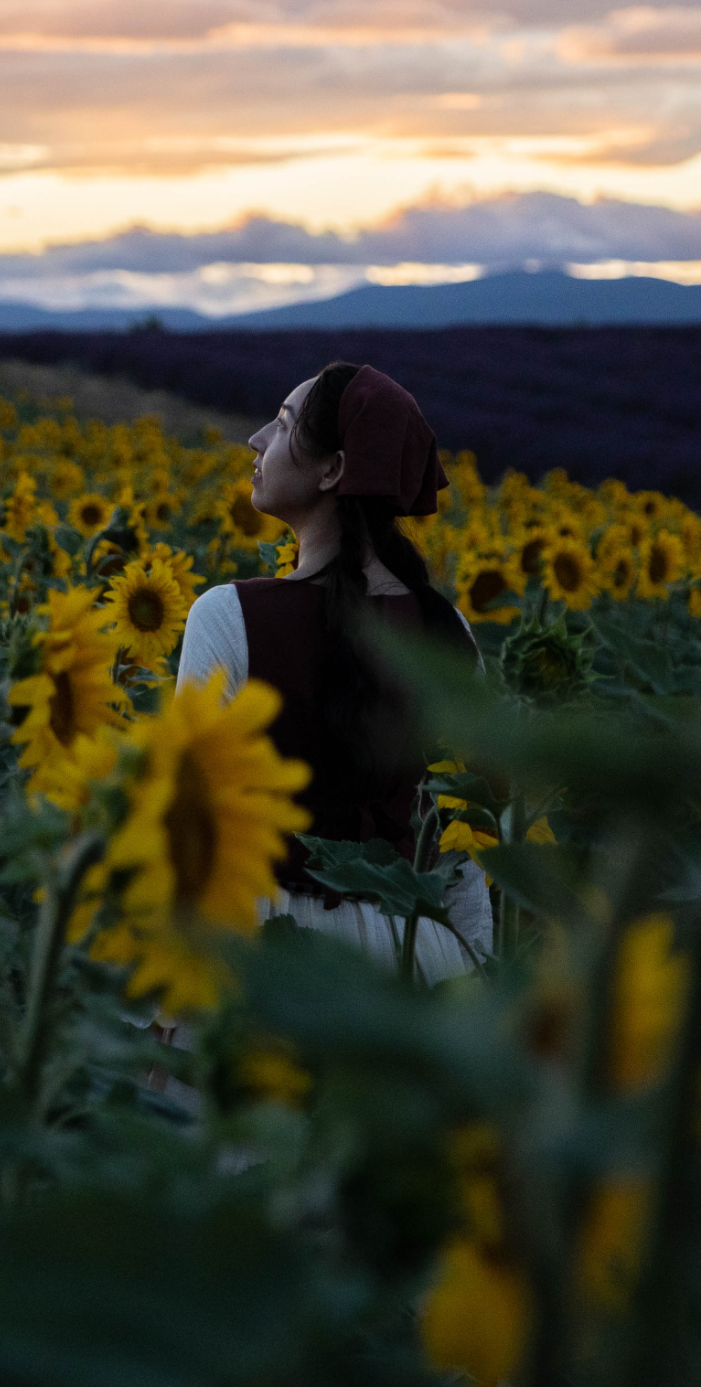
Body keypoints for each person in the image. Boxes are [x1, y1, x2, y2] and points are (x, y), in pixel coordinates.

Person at [176, 360, 492, 982]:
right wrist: (476, 969)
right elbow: (468, 838)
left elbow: (193, 826)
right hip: (415, 960)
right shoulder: (444, 629)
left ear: (334, 469)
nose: (257, 439)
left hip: (269, 955)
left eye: (285, 423)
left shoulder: (227, 616)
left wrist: (170, 994)